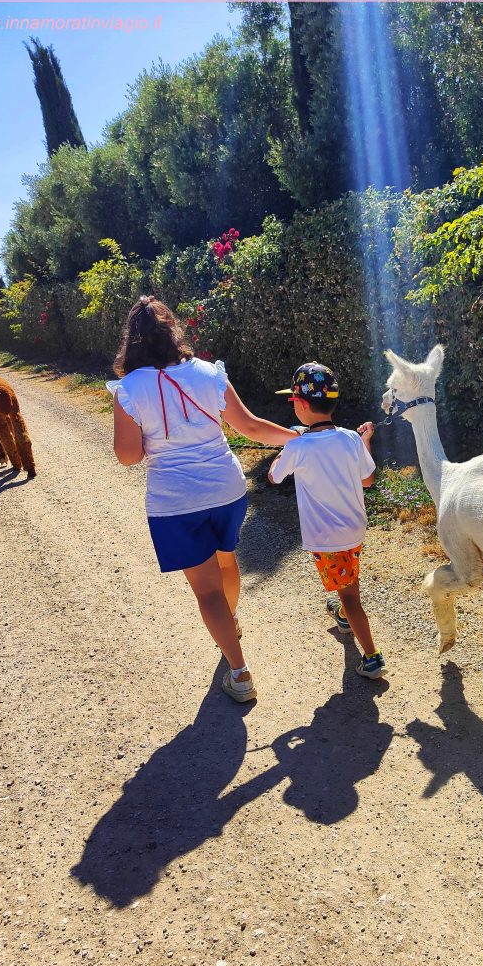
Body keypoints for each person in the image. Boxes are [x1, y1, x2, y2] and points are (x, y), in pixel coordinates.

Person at [108, 295, 298, 703]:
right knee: (226, 559)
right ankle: (230, 624)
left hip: (176, 504)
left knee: (206, 592)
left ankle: (240, 672)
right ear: (172, 331)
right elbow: (248, 426)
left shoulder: (128, 389)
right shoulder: (210, 374)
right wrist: (295, 436)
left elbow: (128, 457)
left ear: (133, 341)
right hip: (227, 491)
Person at [268, 362, 386, 678]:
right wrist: (365, 441)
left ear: (302, 405)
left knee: (349, 595)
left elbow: (274, 477)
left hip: (327, 538)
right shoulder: (350, 438)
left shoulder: (297, 445)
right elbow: (367, 480)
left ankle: (373, 657)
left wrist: (285, 445)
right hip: (354, 529)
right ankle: (347, 619)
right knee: (348, 579)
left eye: (292, 401)